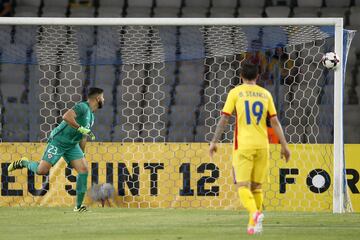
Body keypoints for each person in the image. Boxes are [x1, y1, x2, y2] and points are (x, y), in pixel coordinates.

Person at [209, 61, 290, 235]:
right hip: (262, 145)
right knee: (257, 187)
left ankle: (254, 213)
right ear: (257, 77)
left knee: (242, 186)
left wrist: (214, 141)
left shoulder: (235, 92)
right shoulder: (265, 94)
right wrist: (284, 145)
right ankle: (257, 223)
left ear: (240, 76)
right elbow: (274, 121)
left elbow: (224, 119)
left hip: (243, 145)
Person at [8, 87, 105, 212]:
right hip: (58, 141)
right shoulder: (82, 107)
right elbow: (66, 116)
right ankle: (23, 162)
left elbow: (83, 136)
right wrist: (80, 128)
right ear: (98, 98)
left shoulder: (92, 116)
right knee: (41, 170)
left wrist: (82, 153)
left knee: (83, 169)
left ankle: (79, 206)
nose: (104, 99)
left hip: (72, 145)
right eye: (102, 97)